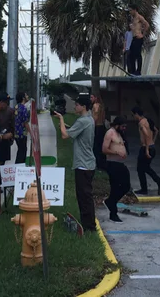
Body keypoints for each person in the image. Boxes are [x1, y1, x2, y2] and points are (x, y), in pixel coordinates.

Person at [56, 95, 97, 232]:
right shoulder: (88, 119)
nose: (75, 107)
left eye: (77, 105)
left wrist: (61, 119)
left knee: (84, 197)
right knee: (85, 196)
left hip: (83, 164)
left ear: (84, 107)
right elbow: (74, 132)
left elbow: (64, 135)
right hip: (88, 163)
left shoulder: (82, 121)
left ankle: (89, 227)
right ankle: (88, 224)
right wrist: (66, 126)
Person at [102, 116, 131, 223]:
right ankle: (113, 213)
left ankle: (110, 201)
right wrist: (116, 152)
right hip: (112, 164)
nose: (124, 128)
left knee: (126, 186)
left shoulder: (120, 134)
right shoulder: (110, 133)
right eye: (123, 126)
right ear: (117, 125)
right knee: (115, 187)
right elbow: (104, 149)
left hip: (121, 164)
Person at [132, 106, 160, 196]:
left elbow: (146, 135)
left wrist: (146, 150)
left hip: (146, 148)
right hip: (152, 147)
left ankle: (158, 182)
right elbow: (156, 130)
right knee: (143, 168)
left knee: (142, 169)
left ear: (136, 114)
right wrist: (153, 141)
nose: (133, 117)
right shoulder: (148, 120)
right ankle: (146, 188)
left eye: (133, 115)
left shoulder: (141, 123)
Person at [128, 4, 149, 76]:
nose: (130, 12)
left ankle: (138, 71)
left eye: (131, 10)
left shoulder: (139, 17)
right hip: (134, 38)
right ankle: (133, 71)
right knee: (131, 55)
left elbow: (146, 24)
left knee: (138, 54)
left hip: (139, 37)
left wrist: (143, 34)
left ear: (134, 10)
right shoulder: (133, 18)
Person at [91, 94, 107, 170]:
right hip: (102, 127)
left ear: (96, 98)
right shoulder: (101, 106)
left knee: (96, 147)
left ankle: (98, 164)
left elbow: (96, 115)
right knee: (101, 146)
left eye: (92, 97)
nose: (90, 99)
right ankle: (102, 164)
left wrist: (92, 125)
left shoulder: (96, 105)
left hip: (97, 127)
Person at [14, 91, 30, 164]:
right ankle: (19, 167)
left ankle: (18, 166)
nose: (28, 97)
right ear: (23, 98)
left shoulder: (16, 107)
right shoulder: (24, 108)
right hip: (22, 133)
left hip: (16, 133)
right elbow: (25, 122)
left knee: (20, 150)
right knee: (23, 151)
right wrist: (31, 132)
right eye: (26, 95)